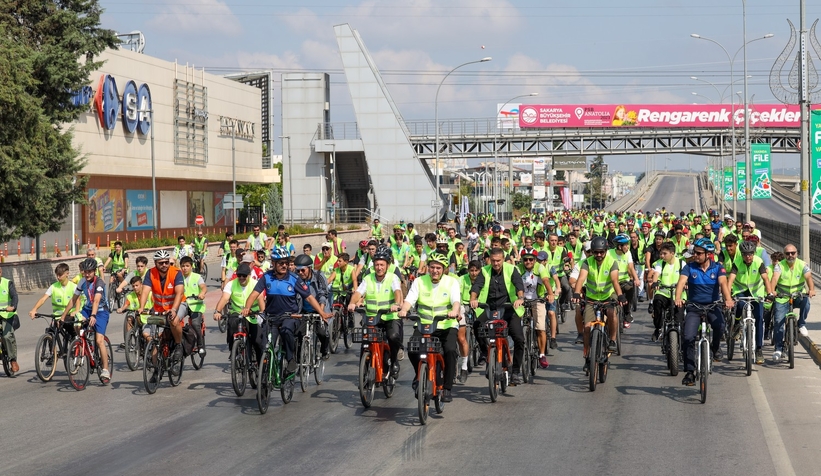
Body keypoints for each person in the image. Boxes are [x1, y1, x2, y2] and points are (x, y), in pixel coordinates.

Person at [244, 249, 331, 375]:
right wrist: (247, 307)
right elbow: (254, 294)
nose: (284, 265)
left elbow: (309, 297)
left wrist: (321, 313)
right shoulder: (266, 277)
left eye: (286, 262)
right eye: (280, 263)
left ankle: (291, 360)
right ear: (273, 263)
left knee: (286, 331)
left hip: (290, 317)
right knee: (265, 345)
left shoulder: (294, 278)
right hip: (271, 318)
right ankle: (264, 377)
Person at [398, 252, 461, 403]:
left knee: (450, 350)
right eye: (432, 267)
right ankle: (419, 374)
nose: (435, 270)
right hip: (424, 325)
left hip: (446, 324)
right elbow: (410, 299)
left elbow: (456, 301)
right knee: (413, 348)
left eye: (438, 268)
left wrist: (454, 311)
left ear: (444, 269)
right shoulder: (419, 282)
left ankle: (446, 388)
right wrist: (404, 309)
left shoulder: (451, 282)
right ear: (428, 268)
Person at [674, 238, 734, 386]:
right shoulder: (689, 267)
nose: (696, 255)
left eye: (699, 253)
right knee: (688, 337)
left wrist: (728, 299)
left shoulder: (718, 268)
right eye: (694, 252)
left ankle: (714, 348)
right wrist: (678, 298)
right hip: (694, 307)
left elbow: (723, 283)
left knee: (720, 326)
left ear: (708, 254)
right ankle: (690, 372)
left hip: (713, 305)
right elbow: (681, 282)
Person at [469, 248, 527, 385]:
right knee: (477, 325)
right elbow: (477, 286)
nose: (495, 264)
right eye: (493, 261)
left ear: (503, 259)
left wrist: (520, 298)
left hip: (509, 308)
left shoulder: (511, 269)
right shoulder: (484, 271)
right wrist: (473, 299)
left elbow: (518, 284)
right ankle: (484, 351)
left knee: (519, 339)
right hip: (490, 308)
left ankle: (516, 371)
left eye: (498, 261)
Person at [571, 236, 625, 374]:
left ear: (606, 251)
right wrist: (577, 293)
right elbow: (581, 278)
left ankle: (612, 340)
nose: (599, 255)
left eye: (601, 252)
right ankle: (587, 356)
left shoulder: (612, 262)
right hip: (592, 298)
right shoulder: (587, 263)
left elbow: (614, 280)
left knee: (612, 312)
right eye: (596, 252)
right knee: (587, 328)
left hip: (608, 296)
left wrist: (620, 295)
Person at [348, 249, 404, 373]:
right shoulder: (368, 278)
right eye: (377, 264)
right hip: (372, 317)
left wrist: (396, 304)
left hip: (390, 317)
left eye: (382, 265)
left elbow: (397, 292)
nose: (379, 268)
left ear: (387, 266)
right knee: (366, 342)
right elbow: (358, 292)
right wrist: (352, 303)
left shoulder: (393, 277)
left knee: (393, 337)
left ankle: (394, 360)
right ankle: (365, 371)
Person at [62, 258, 112, 383]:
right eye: (85, 272)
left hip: (100, 311)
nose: (87, 274)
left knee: (100, 340)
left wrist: (94, 316)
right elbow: (73, 300)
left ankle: (105, 369)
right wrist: (63, 315)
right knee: (76, 324)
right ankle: (83, 344)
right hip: (87, 309)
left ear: (94, 271)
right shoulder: (82, 282)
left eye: (90, 271)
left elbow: (96, 300)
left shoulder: (99, 282)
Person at [138, 250, 185, 372]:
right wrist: (141, 307)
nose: (164, 265)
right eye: (161, 263)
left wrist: (174, 310)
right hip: (159, 308)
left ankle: (179, 345)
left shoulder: (176, 272)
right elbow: (145, 291)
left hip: (178, 305)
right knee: (155, 340)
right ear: (155, 263)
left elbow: (179, 293)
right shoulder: (150, 273)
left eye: (166, 262)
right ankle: (156, 371)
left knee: (173, 321)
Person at [727, 240, 772, 365]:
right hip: (740, 290)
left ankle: (758, 350)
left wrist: (769, 293)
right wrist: (728, 296)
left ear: (754, 253)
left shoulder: (758, 262)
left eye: (750, 254)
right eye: (745, 254)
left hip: (756, 292)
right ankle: (736, 324)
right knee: (740, 305)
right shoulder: (737, 262)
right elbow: (730, 279)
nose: (748, 256)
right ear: (741, 254)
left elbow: (765, 278)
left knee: (759, 318)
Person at [770, 243, 816, 362]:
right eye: (787, 253)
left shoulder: (802, 264)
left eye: (793, 253)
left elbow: (809, 278)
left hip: (798, 295)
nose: (790, 255)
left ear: (797, 254)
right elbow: (774, 278)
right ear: (784, 255)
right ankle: (778, 349)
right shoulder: (779, 265)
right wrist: (772, 291)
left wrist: (811, 289)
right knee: (778, 322)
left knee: (806, 301)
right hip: (782, 296)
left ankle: (801, 323)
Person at [214, 263, 262, 363]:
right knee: (232, 327)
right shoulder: (231, 284)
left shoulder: (256, 284)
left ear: (249, 275)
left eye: (244, 275)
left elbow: (261, 300)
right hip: (237, 313)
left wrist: (261, 313)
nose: (241, 278)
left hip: (253, 314)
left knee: (257, 341)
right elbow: (224, 298)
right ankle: (234, 350)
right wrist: (217, 311)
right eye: (239, 275)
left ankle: (260, 364)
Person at [293, 254, 331, 360]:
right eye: (298, 271)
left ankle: (324, 350)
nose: (300, 273)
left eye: (302, 270)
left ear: (309, 268)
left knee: (322, 333)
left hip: (319, 309)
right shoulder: (295, 279)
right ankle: (299, 360)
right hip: (304, 310)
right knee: (299, 334)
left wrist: (321, 311)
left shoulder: (319, 276)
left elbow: (323, 293)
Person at [647, 242, 684, 342]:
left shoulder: (681, 263)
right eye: (661, 253)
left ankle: (679, 339)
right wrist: (655, 283)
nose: (662, 256)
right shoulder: (661, 263)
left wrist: (687, 284)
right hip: (663, 293)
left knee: (679, 319)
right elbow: (656, 273)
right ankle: (658, 328)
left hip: (678, 295)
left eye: (665, 253)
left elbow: (685, 277)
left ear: (672, 253)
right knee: (657, 302)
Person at [178, 256, 207, 355]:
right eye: (182, 266)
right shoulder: (178, 277)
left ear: (191, 266)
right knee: (174, 320)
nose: (184, 268)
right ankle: (178, 343)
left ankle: (200, 345)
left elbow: (203, 287)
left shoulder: (197, 277)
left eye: (187, 266)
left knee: (195, 324)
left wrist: (202, 293)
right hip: (183, 304)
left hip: (196, 305)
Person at [0, 266, 21, 374]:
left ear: (0, 272)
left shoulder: (8, 283)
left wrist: (13, 306)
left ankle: (13, 360)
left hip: (8, 315)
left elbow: (14, 296)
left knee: (7, 336)